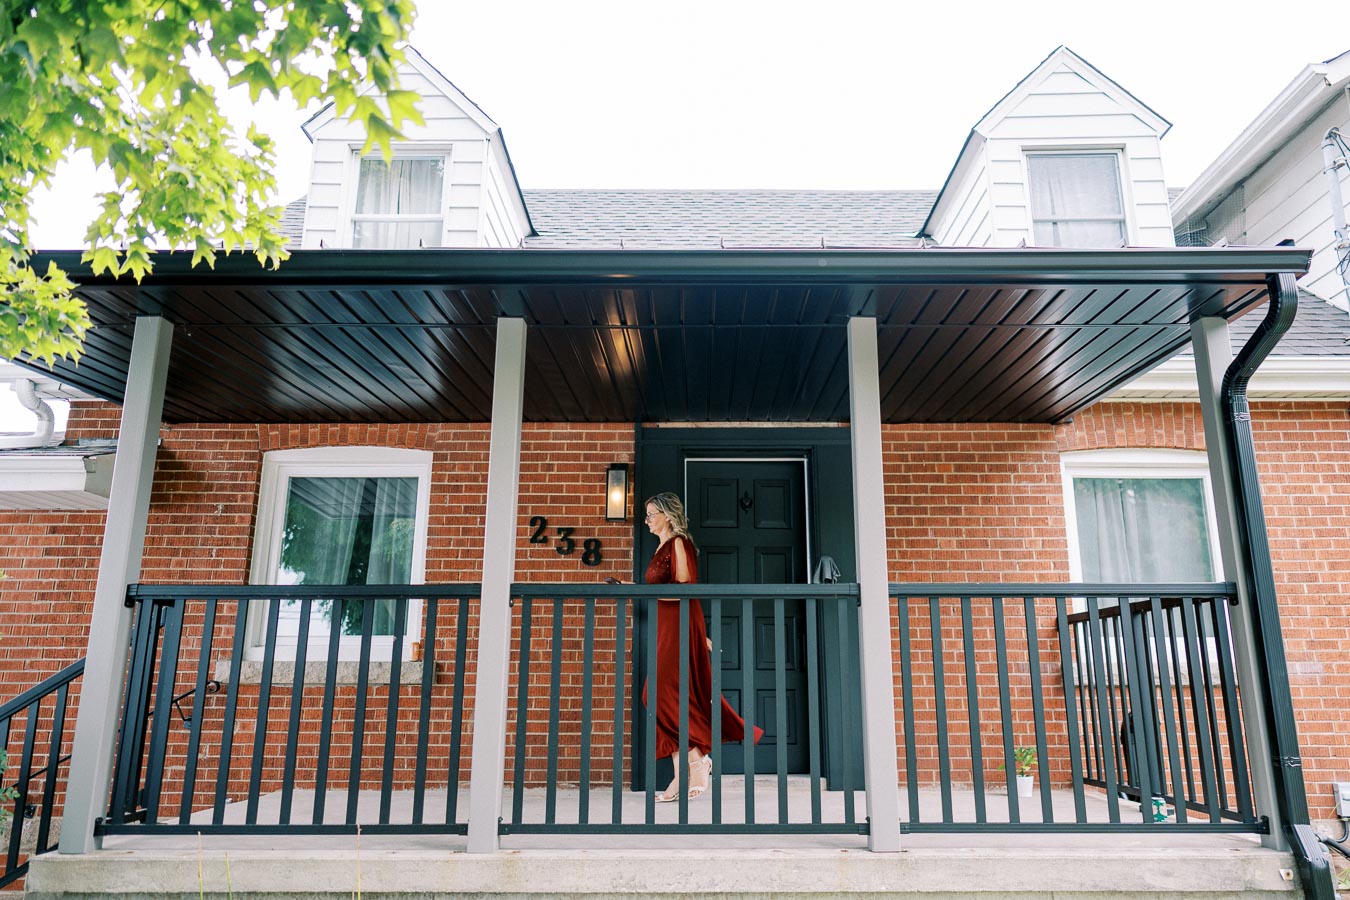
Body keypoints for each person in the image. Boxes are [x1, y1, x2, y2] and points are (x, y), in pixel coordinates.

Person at [639, 491, 763, 802]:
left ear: (668, 515)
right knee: (658, 695)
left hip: (678, 625)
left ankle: (696, 761)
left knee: (659, 694)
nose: (647, 520)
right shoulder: (661, 548)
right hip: (665, 626)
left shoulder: (679, 543)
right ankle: (685, 771)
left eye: (652, 514)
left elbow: (685, 589)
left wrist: (646, 593)